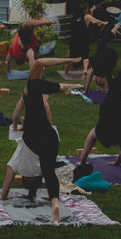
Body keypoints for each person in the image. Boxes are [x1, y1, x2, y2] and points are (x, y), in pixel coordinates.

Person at [19, 57, 83, 222]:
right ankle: (54, 202)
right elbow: (55, 81)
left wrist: (68, 60)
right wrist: (67, 83)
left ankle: (45, 197)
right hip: (49, 135)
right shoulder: (43, 87)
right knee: (48, 171)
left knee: (43, 166)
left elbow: (40, 62)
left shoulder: (30, 85)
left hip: (33, 137)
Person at [76, 57, 121, 183]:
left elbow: (86, 149)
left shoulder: (99, 130)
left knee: (115, 89)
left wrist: (82, 162)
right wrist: (116, 162)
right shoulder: (120, 135)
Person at [64, 7, 107, 75]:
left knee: (69, 54)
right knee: (85, 56)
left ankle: (66, 71)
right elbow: (95, 21)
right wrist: (103, 22)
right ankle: (85, 71)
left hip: (74, 38)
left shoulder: (77, 17)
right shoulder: (88, 17)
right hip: (83, 39)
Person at [84, 22, 121, 93]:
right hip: (112, 55)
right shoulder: (108, 73)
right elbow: (111, 83)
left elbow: (90, 77)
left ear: (96, 79)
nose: (100, 80)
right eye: (102, 81)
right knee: (101, 43)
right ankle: (114, 30)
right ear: (105, 80)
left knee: (101, 43)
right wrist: (109, 90)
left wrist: (86, 89)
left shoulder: (95, 69)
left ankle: (113, 28)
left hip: (102, 54)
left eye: (99, 80)